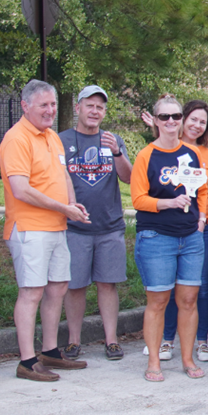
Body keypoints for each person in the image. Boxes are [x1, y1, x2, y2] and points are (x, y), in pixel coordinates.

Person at [0, 79, 90, 381]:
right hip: (29, 229)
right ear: (25, 106)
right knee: (32, 292)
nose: (50, 110)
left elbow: (63, 174)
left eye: (53, 104)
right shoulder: (17, 139)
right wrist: (64, 209)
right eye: (44, 105)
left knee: (58, 288)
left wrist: (73, 205)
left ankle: (50, 351)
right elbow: (21, 190)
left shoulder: (52, 137)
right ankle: (27, 361)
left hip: (56, 226)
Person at [131, 95, 208, 382]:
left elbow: (201, 189)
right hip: (156, 237)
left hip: (190, 236)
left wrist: (201, 218)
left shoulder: (191, 153)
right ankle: (154, 360)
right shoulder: (146, 155)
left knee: (189, 300)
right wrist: (169, 203)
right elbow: (138, 199)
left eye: (175, 116)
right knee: (158, 301)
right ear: (155, 120)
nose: (171, 122)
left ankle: (187, 359)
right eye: (164, 117)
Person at [59, 85, 132, 361]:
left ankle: (111, 340)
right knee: (75, 285)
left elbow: (128, 177)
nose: (94, 111)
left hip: (109, 227)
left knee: (107, 284)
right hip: (74, 227)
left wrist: (117, 152)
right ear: (78, 108)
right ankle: (74, 341)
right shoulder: (62, 140)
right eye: (89, 105)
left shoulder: (112, 139)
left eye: (100, 107)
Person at [148, 100, 208, 362]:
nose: (197, 125)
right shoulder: (165, 148)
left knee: (198, 289)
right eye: (193, 119)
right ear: (183, 119)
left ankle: (201, 342)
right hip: (169, 226)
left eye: (203, 122)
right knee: (168, 288)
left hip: (203, 227)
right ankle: (167, 340)